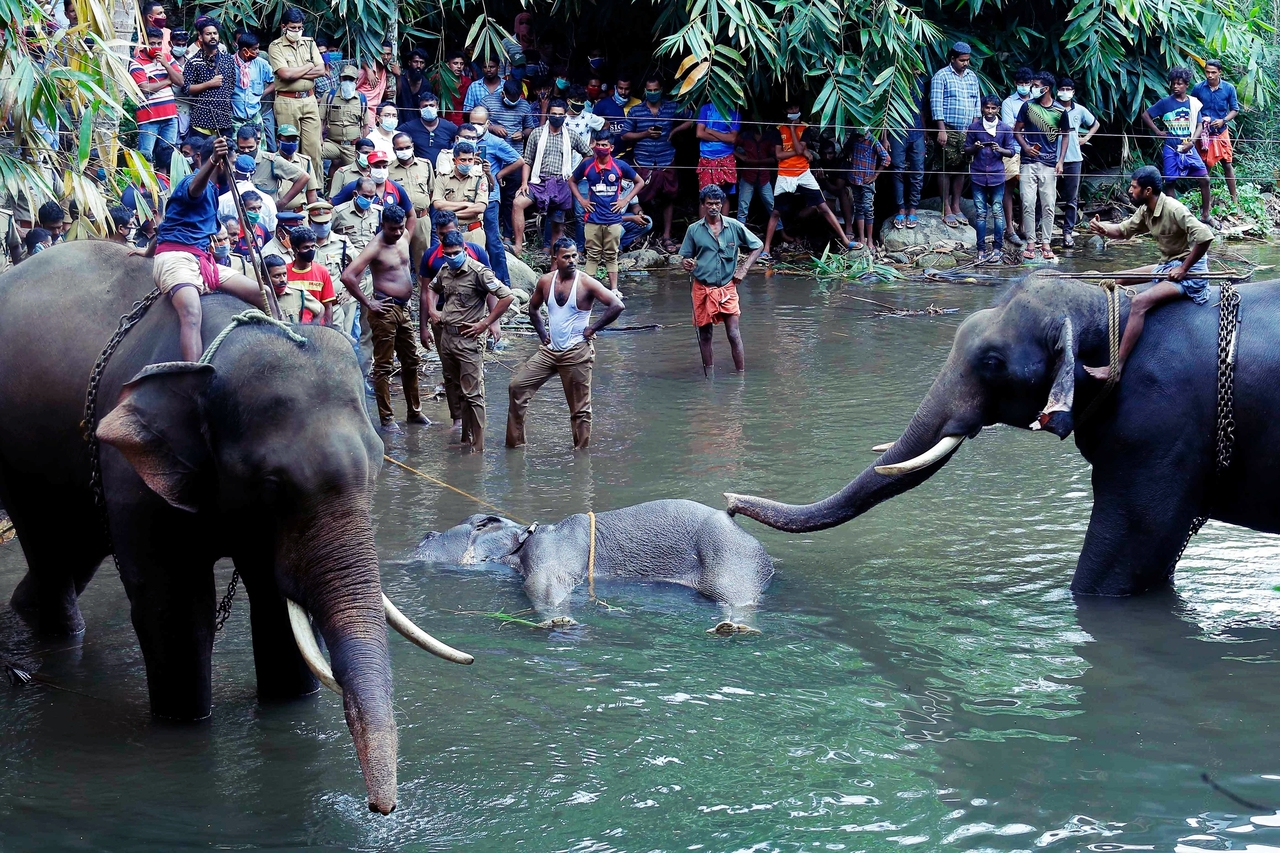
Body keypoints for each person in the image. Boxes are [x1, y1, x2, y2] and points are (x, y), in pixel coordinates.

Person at [1084, 166, 1215, 382]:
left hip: (1190, 272)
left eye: (1133, 187)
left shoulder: (1174, 209)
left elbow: (1206, 236)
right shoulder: (1146, 210)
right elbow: (1124, 230)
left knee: (1139, 302)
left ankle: (1116, 368)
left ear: (1147, 191)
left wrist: (1183, 269)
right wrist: (1102, 228)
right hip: (1167, 265)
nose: (1129, 190)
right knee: (1117, 278)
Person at [149, 135, 267, 362]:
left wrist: (146, 252)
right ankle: (194, 377)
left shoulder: (214, 190)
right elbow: (195, 189)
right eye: (232, 164)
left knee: (264, 294)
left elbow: (165, 226)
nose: (233, 169)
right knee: (192, 314)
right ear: (221, 162)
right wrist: (213, 160)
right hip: (176, 259)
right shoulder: (191, 181)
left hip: (204, 262)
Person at [505, 237, 624, 450]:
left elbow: (617, 305)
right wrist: (543, 335)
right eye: (566, 256)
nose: (571, 260)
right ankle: (515, 445)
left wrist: (592, 328)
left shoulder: (586, 282)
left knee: (580, 409)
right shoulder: (546, 281)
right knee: (517, 387)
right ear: (555, 258)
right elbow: (533, 309)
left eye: (574, 256)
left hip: (577, 351)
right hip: (550, 351)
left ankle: (580, 458)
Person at [424, 230, 514, 451]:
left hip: (469, 339)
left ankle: (479, 446)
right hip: (447, 337)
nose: (451, 257)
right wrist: (432, 311)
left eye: (456, 253)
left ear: (464, 250)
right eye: (447, 253)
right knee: (456, 389)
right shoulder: (445, 270)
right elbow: (431, 289)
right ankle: (465, 439)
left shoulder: (478, 272)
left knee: (473, 395)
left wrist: (486, 323)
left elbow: (507, 296)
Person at [340, 204, 426, 430]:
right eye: (392, 229)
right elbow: (348, 276)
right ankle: (387, 419)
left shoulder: (405, 234)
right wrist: (368, 302)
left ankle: (414, 412)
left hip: (404, 308)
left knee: (411, 361)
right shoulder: (375, 246)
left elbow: (411, 216)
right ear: (382, 226)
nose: (397, 232)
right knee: (384, 365)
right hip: (384, 309)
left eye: (399, 228)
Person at [679, 185, 763, 374]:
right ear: (703, 205)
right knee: (705, 334)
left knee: (733, 334)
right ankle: (709, 375)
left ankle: (740, 375)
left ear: (722, 204)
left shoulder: (733, 226)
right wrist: (687, 263)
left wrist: (743, 269)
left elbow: (758, 245)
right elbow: (685, 257)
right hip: (702, 287)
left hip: (727, 287)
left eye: (717, 203)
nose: (713, 207)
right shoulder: (694, 230)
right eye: (709, 204)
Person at [762, 101, 852, 261]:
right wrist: (802, 152)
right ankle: (766, 249)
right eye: (790, 108)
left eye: (796, 107)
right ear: (785, 110)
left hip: (803, 173)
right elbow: (779, 155)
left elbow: (796, 149)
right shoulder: (778, 130)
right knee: (776, 212)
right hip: (785, 174)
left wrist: (797, 143)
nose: (794, 110)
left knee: (823, 207)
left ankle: (845, 241)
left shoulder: (805, 128)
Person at [622, 75, 693, 252]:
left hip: (666, 159)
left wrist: (675, 130)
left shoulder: (672, 107)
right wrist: (644, 134)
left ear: (661, 90)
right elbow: (624, 135)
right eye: (650, 90)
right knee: (641, 198)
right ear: (645, 91)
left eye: (656, 90)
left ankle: (667, 236)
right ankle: (642, 235)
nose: (653, 93)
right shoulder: (636, 111)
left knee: (668, 198)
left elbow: (692, 118)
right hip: (643, 161)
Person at [512, 99, 590, 254]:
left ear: (565, 116)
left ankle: (555, 261)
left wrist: (574, 174)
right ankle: (518, 246)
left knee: (557, 224)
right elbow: (527, 160)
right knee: (518, 203)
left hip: (561, 183)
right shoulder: (537, 133)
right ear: (548, 115)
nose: (557, 116)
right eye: (553, 113)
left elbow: (588, 154)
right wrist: (524, 183)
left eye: (560, 114)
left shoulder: (572, 136)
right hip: (538, 181)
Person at [571, 130, 643, 293]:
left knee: (611, 254)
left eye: (604, 145)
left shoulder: (620, 166)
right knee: (593, 255)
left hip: (613, 219)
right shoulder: (587, 164)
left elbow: (640, 182)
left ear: (611, 147)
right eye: (598, 144)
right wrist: (582, 200)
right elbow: (572, 181)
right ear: (593, 145)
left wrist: (625, 200)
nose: (601, 147)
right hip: (592, 218)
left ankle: (614, 290)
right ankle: (587, 291)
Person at [1143, 66, 1211, 221]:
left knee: (1204, 179)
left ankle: (1206, 214)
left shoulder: (1193, 103)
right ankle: (1176, 217)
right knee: (1170, 182)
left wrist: (1192, 142)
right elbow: (1146, 115)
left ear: (1187, 84)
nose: (1175, 86)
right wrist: (1158, 132)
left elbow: (1200, 125)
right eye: (1173, 83)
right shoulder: (1165, 102)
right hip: (1171, 147)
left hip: (1189, 147)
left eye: (1179, 83)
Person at [1013, 70, 1066, 261]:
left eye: (1035, 85)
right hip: (1028, 162)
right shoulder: (1027, 107)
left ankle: (1046, 243)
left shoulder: (1060, 111)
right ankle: (1030, 242)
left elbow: (1065, 135)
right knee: (1027, 202)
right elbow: (1017, 131)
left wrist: (1060, 161)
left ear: (1046, 88)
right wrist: (1026, 147)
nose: (1032, 88)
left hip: (1049, 164)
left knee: (1049, 204)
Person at [467, 106, 523, 285]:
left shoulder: (495, 142)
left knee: (492, 239)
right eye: (472, 123)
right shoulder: (464, 139)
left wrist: (498, 174)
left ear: (487, 124)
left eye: (479, 124)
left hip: (490, 197)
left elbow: (519, 160)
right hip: (467, 198)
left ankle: (503, 282)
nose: (475, 127)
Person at [930, 41, 981, 228]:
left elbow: (977, 104)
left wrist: (975, 129)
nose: (965, 63)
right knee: (945, 168)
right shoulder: (941, 76)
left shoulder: (972, 77)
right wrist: (941, 129)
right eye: (961, 60)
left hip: (967, 129)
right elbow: (936, 104)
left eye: (967, 60)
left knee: (961, 168)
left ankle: (956, 205)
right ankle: (945, 207)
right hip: (949, 128)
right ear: (952, 58)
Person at [965, 95, 1016, 264]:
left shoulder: (1005, 129)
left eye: (994, 108)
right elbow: (966, 150)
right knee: (980, 213)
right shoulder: (974, 127)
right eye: (987, 108)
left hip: (997, 176)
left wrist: (1000, 149)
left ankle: (997, 248)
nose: (990, 111)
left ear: (998, 110)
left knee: (997, 212)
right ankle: (980, 249)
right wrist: (975, 147)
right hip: (978, 175)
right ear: (982, 108)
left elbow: (1011, 151)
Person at [129, 26, 183, 168]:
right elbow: (145, 88)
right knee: (145, 157)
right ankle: (146, 188)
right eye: (152, 44)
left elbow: (181, 81)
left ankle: (163, 186)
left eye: (159, 43)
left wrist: (166, 65)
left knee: (167, 156)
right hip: (149, 118)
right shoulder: (136, 63)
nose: (156, 47)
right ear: (144, 42)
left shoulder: (167, 58)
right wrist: (167, 81)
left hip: (170, 116)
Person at [306, 199, 358, 340]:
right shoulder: (304, 244)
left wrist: (349, 291)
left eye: (326, 222)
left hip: (336, 306)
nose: (323, 226)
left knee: (339, 341)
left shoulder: (342, 242)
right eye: (319, 223)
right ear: (310, 223)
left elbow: (359, 267)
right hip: (310, 306)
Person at [1192, 59, 1240, 211]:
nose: (1210, 75)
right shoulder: (1198, 88)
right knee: (1205, 166)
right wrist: (1201, 121)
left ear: (1220, 72)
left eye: (1213, 72)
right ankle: (1205, 204)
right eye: (1207, 72)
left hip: (1221, 131)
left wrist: (1223, 120)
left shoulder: (1229, 88)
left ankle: (1235, 201)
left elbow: (1235, 109)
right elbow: (1192, 107)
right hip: (1204, 132)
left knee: (1227, 164)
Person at [332, 150, 416, 236]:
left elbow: (411, 215)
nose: (381, 170)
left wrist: (406, 239)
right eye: (377, 167)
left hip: (390, 242)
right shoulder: (355, 186)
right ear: (368, 167)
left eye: (384, 166)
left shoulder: (396, 188)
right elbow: (332, 206)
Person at [1056, 77, 1098, 248]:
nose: (1065, 92)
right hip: (1053, 158)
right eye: (1062, 88)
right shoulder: (1052, 108)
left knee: (1071, 198)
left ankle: (1068, 232)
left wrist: (1086, 138)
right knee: (1045, 196)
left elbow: (1095, 123)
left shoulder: (1080, 110)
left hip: (1074, 158)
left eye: (1068, 89)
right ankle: (1039, 231)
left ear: (1073, 92)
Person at [182, 16, 237, 139]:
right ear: (200, 37)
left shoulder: (228, 59)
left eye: (215, 33)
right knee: (202, 156)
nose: (212, 36)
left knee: (226, 155)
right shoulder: (193, 62)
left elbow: (232, 85)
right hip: (201, 121)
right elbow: (186, 89)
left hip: (224, 120)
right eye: (208, 34)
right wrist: (209, 84)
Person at [388, 130, 436, 273]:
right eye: (400, 149)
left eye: (407, 147)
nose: (404, 151)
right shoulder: (388, 169)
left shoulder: (425, 165)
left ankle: (425, 293)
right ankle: (402, 293)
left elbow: (431, 190)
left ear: (413, 146)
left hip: (421, 219)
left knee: (424, 261)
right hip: (398, 221)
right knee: (398, 258)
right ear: (394, 149)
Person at [431, 139, 490, 248]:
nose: (467, 163)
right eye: (463, 160)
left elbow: (480, 208)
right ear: (454, 160)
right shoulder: (443, 177)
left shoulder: (480, 178)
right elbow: (437, 204)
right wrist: (466, 204)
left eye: (470, 160)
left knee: (475, 264)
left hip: (473, 232)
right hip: (449, 232)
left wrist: (450, 215)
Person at [1000, 66, 1034, 246]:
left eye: (1026, 83)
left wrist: (1020, 126)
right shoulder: (1008, 102)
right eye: (1020, 84)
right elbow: (1009, 128)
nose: (1023, 86)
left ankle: (1023, 226)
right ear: (1015, 84)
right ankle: (1009, 229)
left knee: (1027, 190)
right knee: (1009, 187)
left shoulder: (1037, 100)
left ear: (1031, 84)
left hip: (1033, 150)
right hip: (1012, 149)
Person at [888, 75, 926, 230]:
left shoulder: (921, 82)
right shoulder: (894, 79)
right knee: (897, 169)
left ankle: (913, 209)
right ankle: (901, 209)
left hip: (917, 131)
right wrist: (885, 137)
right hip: (897, 131)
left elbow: (921, 108)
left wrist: (924, 131)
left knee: (918, 170)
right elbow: (886, 111)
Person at [249, 124, 315, 208]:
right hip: (275, 213)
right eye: (287, 140)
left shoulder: (305, 162)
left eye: (294, 140)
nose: (291, 143)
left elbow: (311, 193)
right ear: (277, 142)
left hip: (299, 214)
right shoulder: (269, 161)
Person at [845, 130, 890, 250]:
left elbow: (886, 159)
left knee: (868, 208)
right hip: (854, 178)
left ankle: (870, 240)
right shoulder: (853, 138)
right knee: (859, 207)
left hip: (867, 181)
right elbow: (847, 150)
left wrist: (875, 175)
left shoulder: (872, 140)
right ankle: (861, 238)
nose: (859, 138)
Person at [321, 65, 366, 182]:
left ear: (356, 80)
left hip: (351, 146)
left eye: (351, 79)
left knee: (356, 174)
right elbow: (321, 121)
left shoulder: (361, 99)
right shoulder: (329, 95)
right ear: (340, 79)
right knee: (313, 151)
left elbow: (365, 126)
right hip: (332, 144)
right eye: (344, 78)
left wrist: (363, 147)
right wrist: (318, 140)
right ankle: (318, 188)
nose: (347, 82)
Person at [285, 225, 335, 328]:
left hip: (316, 328)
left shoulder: (322, 272)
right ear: (295, 249)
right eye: (306, 247)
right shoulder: (284, 272)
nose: (311, 250)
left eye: (312, 247)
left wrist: (328, 330)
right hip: (291, 326)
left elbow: (328, 307)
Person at [231, 31, 275, 142]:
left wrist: (262, 94)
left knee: (260, 150)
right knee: (237, 151)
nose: (257, 51)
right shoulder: (229, 63)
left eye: (258, 48)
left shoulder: (261, 64)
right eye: (254, 49)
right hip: (234, 118)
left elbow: (275, 82)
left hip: (255, 116)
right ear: (245, 51)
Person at [219, 152, 279, 230]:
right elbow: (272, 230)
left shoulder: (222, 200)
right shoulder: (268, 200)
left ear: (234, 172)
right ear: (254, 172)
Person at [695, 100, 740, 201]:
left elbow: (732, 139)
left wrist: (711, 131)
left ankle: (722, 218)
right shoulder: (706, 108)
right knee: (705, 195)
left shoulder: (734, 112)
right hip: (706, 157)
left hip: (726, 158)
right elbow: (699, 133)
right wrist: (724, 137)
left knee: (725, 196)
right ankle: (705, 218)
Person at [397, 91, 459, 163]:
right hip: (420, 170)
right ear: (420, 109)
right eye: (425, 106)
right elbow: (393, 135)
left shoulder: (449, 127)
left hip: (444, 170)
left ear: (437, 107)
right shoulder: (409, 127)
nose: (429, 108)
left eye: (431, 105)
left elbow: (461, 138)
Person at [734, 124, 776, 228]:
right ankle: (740, 235)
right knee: (743, 208)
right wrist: (741, 157)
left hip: (764, 177)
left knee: (772, 206)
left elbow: (775, 158)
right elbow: (729, 147)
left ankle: (780, 232)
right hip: (748, 175)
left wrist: (756, 162)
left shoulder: (769, 136)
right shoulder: (745, 135)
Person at [263, 252, 324, 323]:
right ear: (264, 279)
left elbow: (321, 309)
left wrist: (312, 328)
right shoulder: (257, 297)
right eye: (277, 276)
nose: (282, 279)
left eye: (284, 274)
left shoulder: (298, 293)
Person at [356, 41, 398, 129]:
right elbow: (350, 90)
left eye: (388, 54)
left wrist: (398, 75)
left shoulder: (385, 72)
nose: (386, 57)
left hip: (376, 114)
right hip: (362, 112)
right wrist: (367, 69)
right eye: (382, 54)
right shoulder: (364, 72)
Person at [433, 50, 473, 125]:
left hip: (461, 124)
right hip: (441, 123)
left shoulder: (468, 82)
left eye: (462, 64)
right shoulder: (437, 79)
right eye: (455, 63)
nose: (459, 66)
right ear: (447, 64)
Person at [396, 48, 431, 120]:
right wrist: (398, 77)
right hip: (399, 123)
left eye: (422, 63)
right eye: (415, 62)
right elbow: (396, 94)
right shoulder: (401, 79)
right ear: (409, 63)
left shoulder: (426, 85)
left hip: (417, 126)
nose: (418, 65)